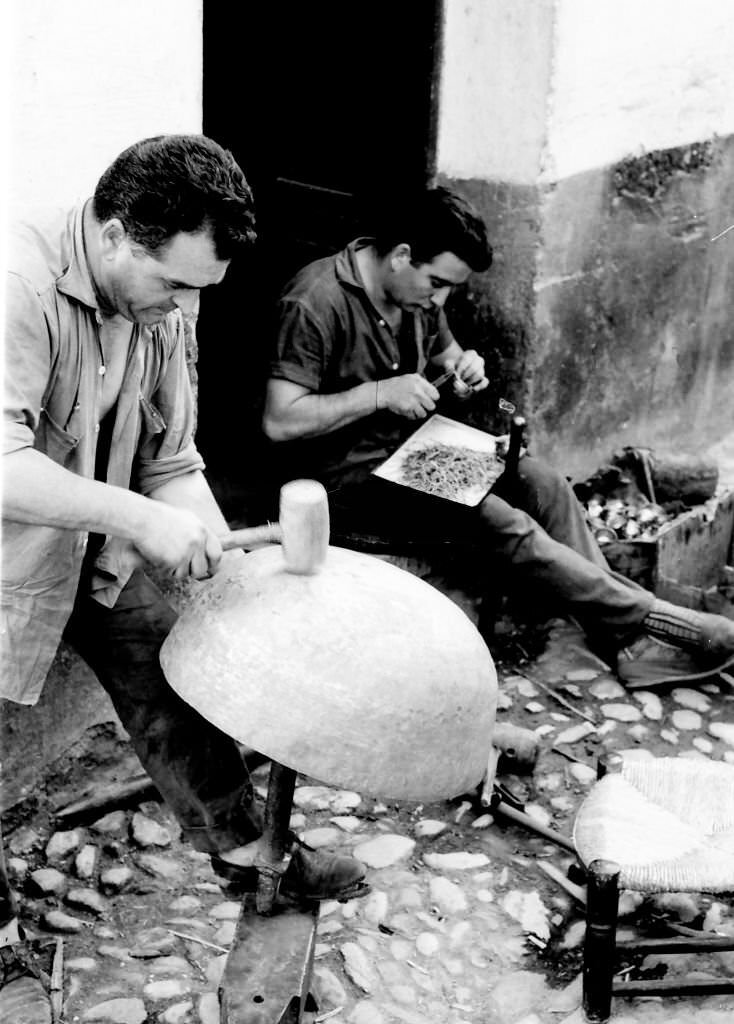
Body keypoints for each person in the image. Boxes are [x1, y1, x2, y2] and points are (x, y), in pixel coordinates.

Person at [1, 135, 366, 1013]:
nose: (186, 307)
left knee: (169, 672)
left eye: (202, 288)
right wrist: (137, 517)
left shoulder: (163, 303)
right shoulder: (17, 281)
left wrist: (219, 568)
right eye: (177, 284)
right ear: (120, 234)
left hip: (92, 544)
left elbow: (171, 458)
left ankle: (249, 853)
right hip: (9, 549)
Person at [262, 185, 734, 689]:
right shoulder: (314, 302)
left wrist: (466, 368)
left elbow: (448, 356)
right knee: (496, 519)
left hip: (417, 456)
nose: (441, 299)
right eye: (438, 283)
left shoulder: (416, 293)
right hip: (347, 482)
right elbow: (281, 421)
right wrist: (379, 394)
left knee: (543, 484)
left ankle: (625, 638)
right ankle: (654, 622)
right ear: (401, 256)